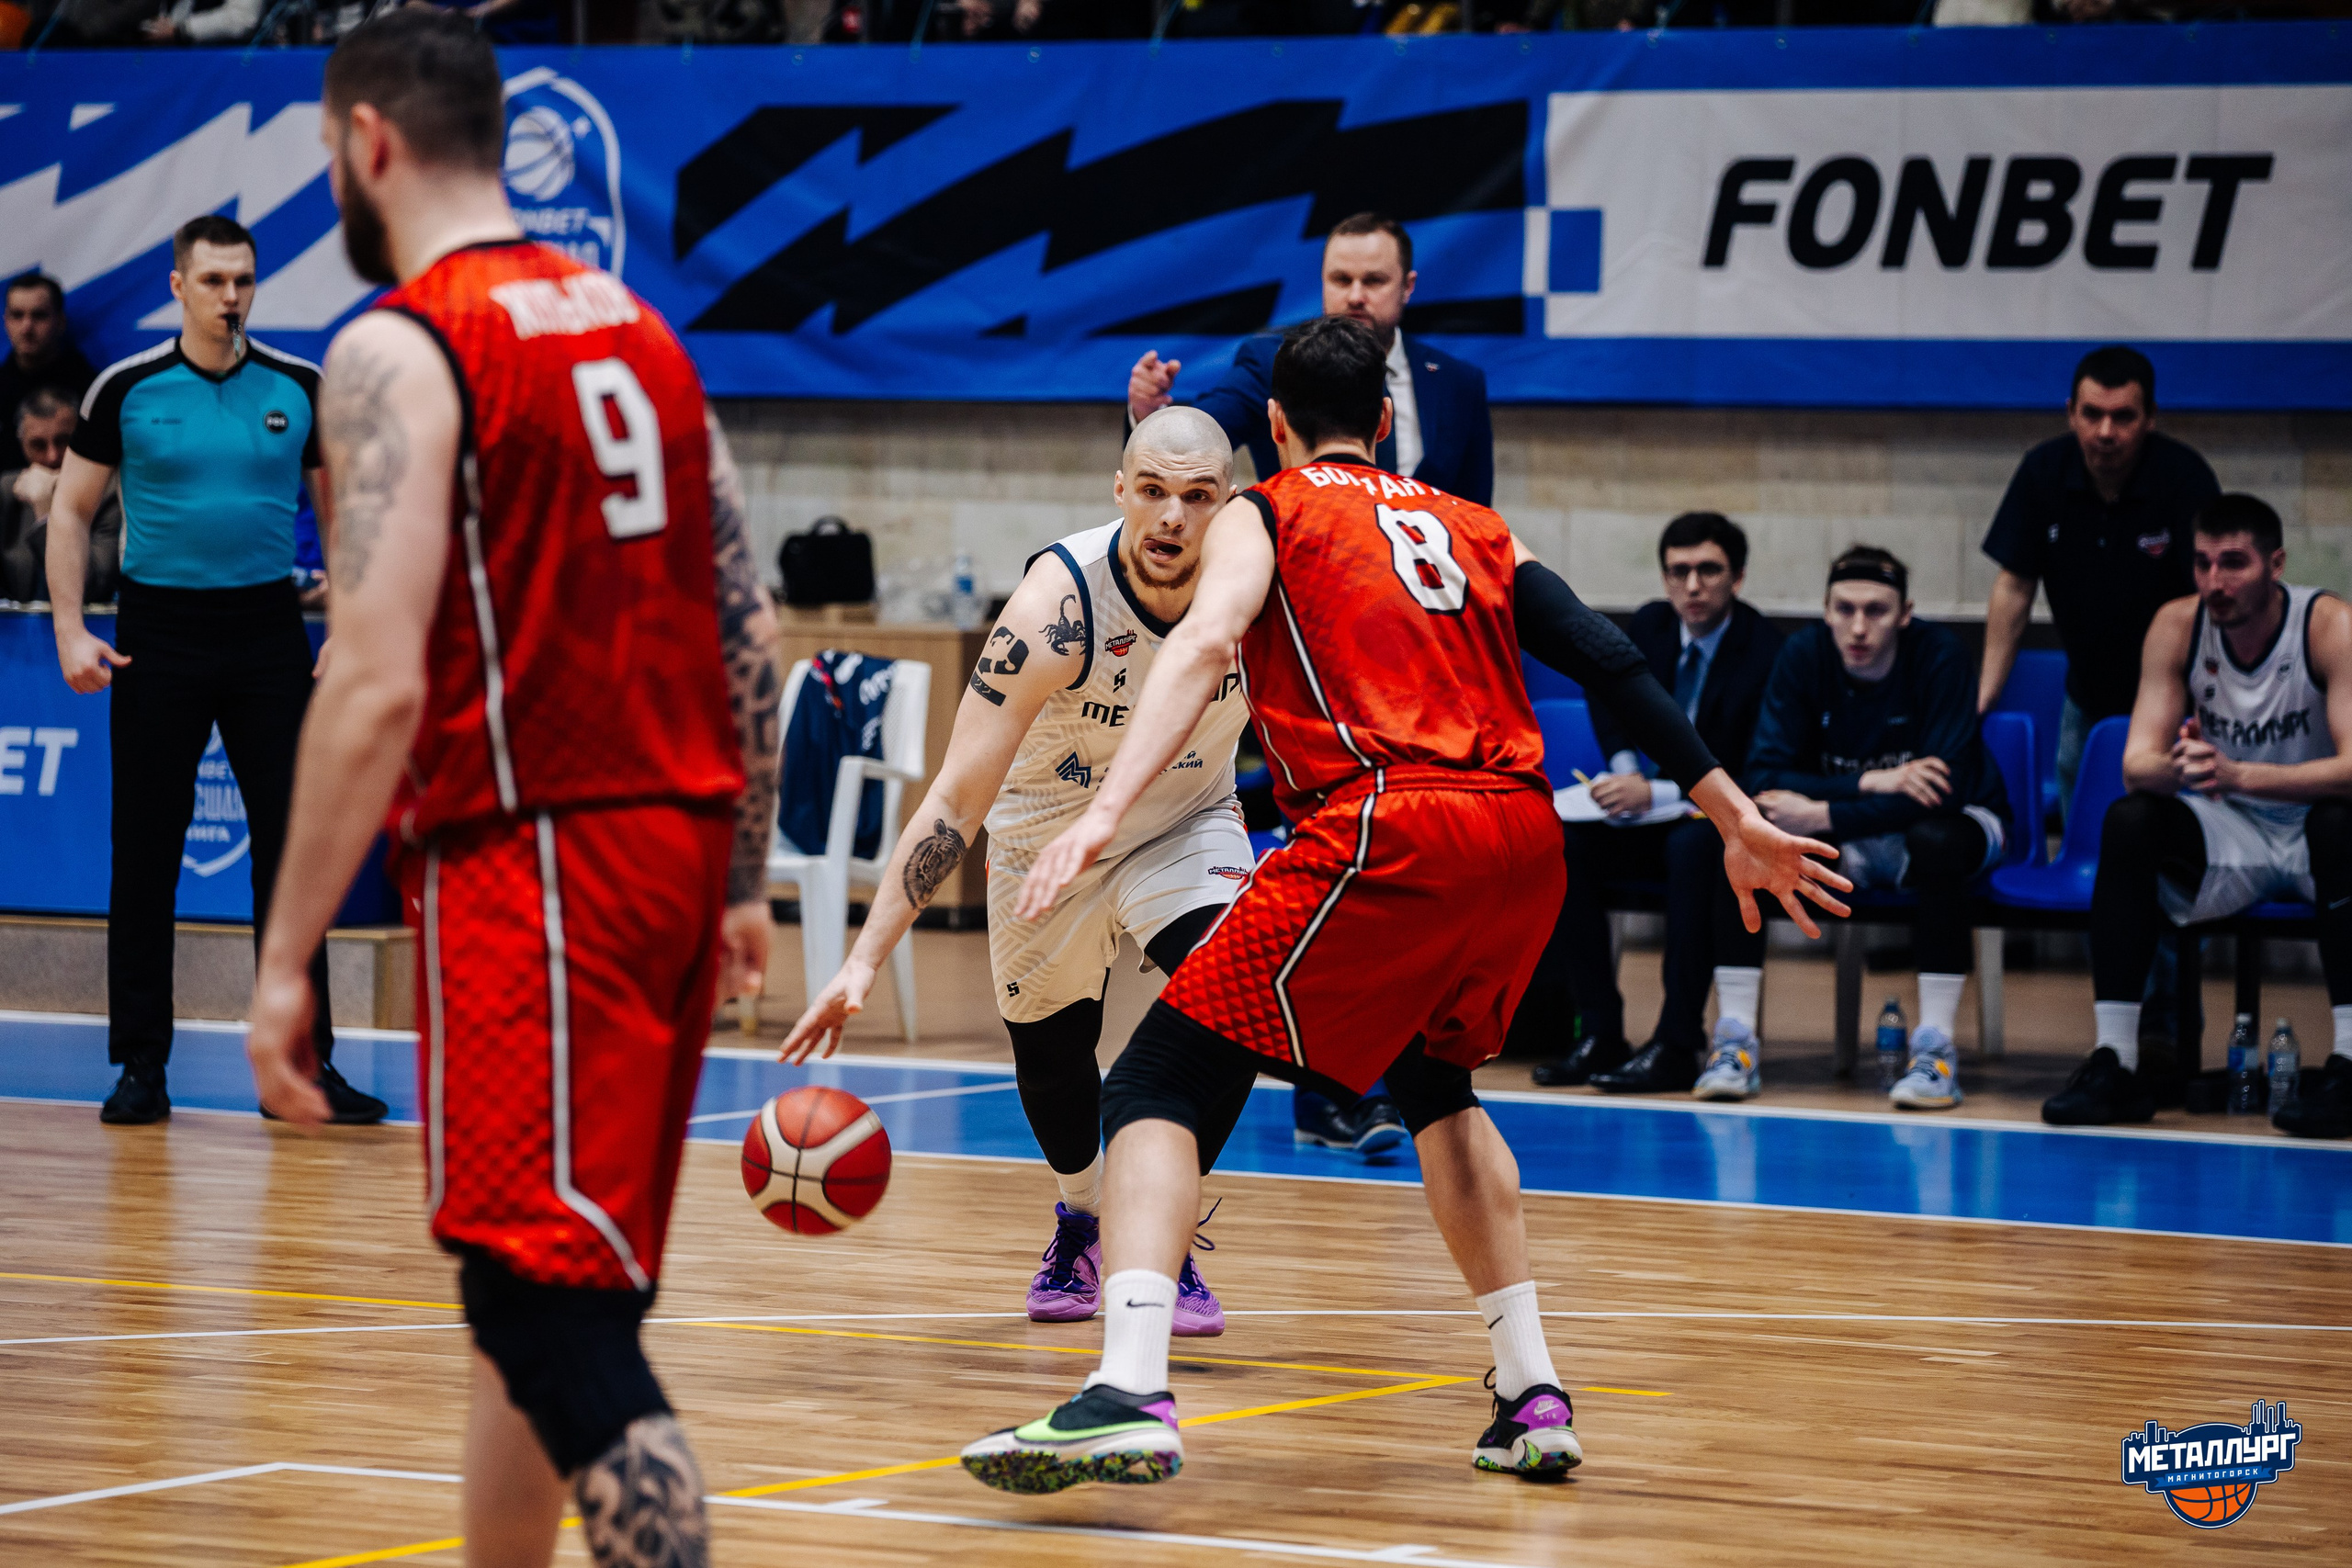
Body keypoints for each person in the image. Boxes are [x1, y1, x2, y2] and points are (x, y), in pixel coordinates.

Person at [958, 315, 1845, 1494]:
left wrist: (1103, 810)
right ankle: (1530, 1393)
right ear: (1384, 421)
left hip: (1388, 827)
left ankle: (1125, 1391)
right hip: (1521, 839)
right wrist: (1730, 812)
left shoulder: (1265, 511)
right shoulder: (1473, 523)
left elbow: (1204, 640)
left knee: (1153, 1083)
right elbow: (1607, 655)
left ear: (1273, 427)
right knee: (1439, 1091)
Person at [243, 15, 782, 1568]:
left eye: (328, 152)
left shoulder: (398, 346)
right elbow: (748, 621)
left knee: (540, 1312)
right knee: (548, 1291)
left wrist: (283, 960)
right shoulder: (641, 329)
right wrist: (743, 873)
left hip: (539, 855)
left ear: (367, 143)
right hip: (673, 849)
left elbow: (373, 679)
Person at [780, 406, 1252, 1334]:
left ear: (1227, 503)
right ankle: (1084, 1218)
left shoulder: (1258, 588)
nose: (1172, 516)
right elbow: (956, 800)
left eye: (1198, 497)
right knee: (1050, 1060)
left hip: (1184, 822)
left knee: (1236, 988)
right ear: (1119, 491)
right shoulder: (1054, 608)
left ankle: (1158, 1227)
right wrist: (863, 960)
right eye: (1152, 491)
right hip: (1044, 837)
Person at [44, 214, 382, 1129]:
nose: (231, 297)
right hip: (158, 635)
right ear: (178, 286)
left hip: (268, 634)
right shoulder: (126, 388)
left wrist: (350, 628)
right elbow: (70, 511)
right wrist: (71, 629)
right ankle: (140, 1066)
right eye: (213, 281)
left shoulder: (299, 387)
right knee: (145, 853)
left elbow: (343, 517)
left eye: (243, 281)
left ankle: (302, 1066)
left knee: (292, 856)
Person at [2044, 496, 2352, 1135]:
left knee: (2341, 825)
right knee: (2131, 820)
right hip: (2231, 829)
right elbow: (2137, 763)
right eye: (2203, 563)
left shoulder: (2329, 626)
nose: (2215, 581)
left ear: (2276, 565)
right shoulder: (2177, 625)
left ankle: (2350, 1063)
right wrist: (2178, 765)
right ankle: (2116, 1062)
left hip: (2314, 830)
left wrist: (2241, 774)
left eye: (2234, 563)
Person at [1743, 547, 2009, 1110]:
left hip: (1963, 819)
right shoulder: (1803, 655)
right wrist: (1872, 783)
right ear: (1826, 610)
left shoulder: (1939, 655)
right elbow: (1764, 778)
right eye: (1845, 609)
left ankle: (1935, 1049)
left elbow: (1942, 793)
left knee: (1936, 842)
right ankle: (1734, 1041)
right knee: (1739, 843)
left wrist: (1824, 812)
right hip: (1858, 829)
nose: (1859, 627)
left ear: (1905, 614)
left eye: (1877, 611)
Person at [1530, 512, 1785, 1092]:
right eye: (1678, 571)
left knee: (1694, 847)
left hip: (1711, 823)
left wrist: (1663, 790)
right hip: (1642, 819)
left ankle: (1677, 1042)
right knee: (1559, 841)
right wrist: (1624, 770)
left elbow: (1757, 761)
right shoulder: (1650, 624)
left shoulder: (1767, 650)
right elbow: (1604, 690)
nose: (1692, 586)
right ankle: (1599, 1030)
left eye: (1708, 570)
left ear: (1737, 577)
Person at [1977, 346, 2219, 813]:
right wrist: (1984, 697)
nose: (2106, 432)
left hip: (2176, 694)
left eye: (2123, 416)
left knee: (2159, 824)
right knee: (2081, 815)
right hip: (2087, 690)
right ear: (2071, 413)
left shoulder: (2185, 478)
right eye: (2092, 414)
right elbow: (2014, 587)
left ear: (2150, 418)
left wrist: (2211, 699)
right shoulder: (2043, 471)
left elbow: (2209, 596)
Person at [1125, 212, 1494, 507]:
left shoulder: (1458, 382)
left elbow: (1476, 514)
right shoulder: (1272, 361)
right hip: (1302, 563)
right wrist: (1149, 415)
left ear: (1407, 286)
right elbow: (1198, 438)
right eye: (1341, 279)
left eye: (1373, 281)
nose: (1355, 296)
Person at [2, 388, 120, 604]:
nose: (52, 456)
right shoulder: (6, 492)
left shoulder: (108, 495)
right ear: (22, 444)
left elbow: (93, 590)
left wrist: (46, 512)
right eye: (38, 445)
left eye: (63, 441)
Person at [1, 273, 96, 472]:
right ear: (6, 321)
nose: (27, 327)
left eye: (39, 315)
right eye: (17, 315)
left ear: (60, 321)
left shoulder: (92, 390)